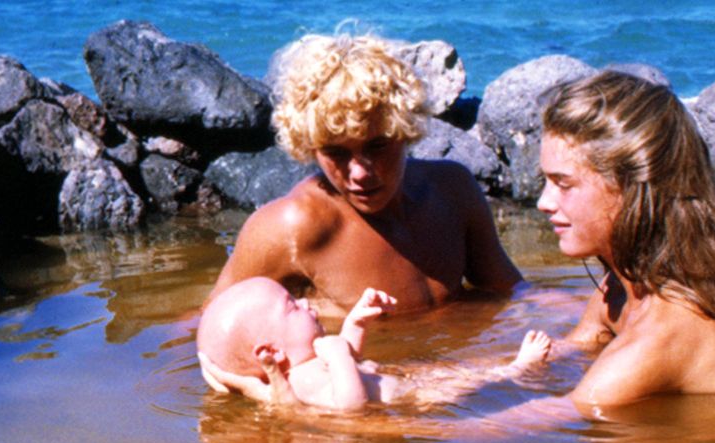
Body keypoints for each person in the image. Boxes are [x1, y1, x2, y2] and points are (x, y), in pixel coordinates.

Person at [205, 32, 521, 315]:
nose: (360, 173)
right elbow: (212, 328)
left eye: (377, 146)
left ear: (405, 130)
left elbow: (514, 293)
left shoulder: (453, 191)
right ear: (310, 147)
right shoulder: (291, 228)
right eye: (336, 153)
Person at [534, 70, 715, 416]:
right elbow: (573, 347)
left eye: (563, 184)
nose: (543, 202)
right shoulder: (626, 284)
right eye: (545, 181)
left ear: (632, 189)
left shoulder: (657, 339)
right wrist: (464, 376)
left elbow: (514, 430)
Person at [196, 277, 551, 411]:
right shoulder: (302, 382)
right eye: (291, 306)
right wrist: (337, 355)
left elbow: (350, 358)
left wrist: (355, 322)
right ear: (271, 353)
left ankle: (510, 367)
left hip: (407, 382)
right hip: (419, 399)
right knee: (471, 382)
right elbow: (350, 403)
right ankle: (517, 369)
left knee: (464, 370)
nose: (305, 304)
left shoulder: (311, 361)